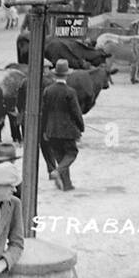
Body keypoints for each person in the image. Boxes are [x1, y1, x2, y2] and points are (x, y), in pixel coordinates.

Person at [41, 59, 84, 190]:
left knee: (60, 156)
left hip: (51, 130)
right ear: (67, 75)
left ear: (55, 75)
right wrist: (81, 127)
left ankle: (66, 184)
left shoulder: (48, 90)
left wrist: (44, 130)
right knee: (71, 153)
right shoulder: (70, 92)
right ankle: (58, 171)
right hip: (67, 130)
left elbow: (44, 112)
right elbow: (76, 112)